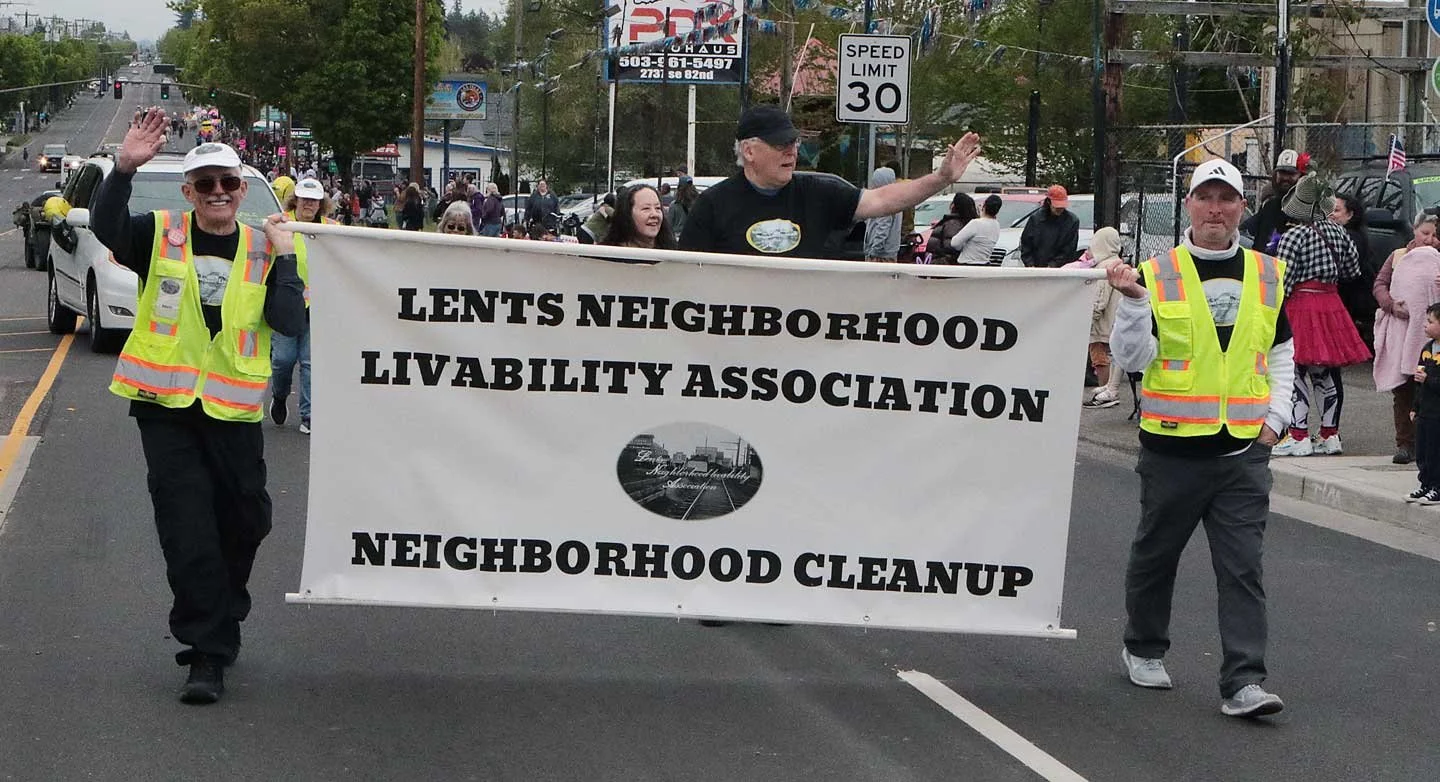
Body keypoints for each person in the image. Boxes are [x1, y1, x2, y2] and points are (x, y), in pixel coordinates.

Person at [89, 112, 306, 705]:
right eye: (204, 184)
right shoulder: (160, 233)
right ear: (189, 192)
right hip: (166, 409)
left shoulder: (271, 246)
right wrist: (124, 166)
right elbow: (107, 226)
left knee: (247, 521)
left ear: (241, 189)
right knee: (189, 533)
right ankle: (205, 653)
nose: (217, 194)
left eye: (227, 184)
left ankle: (223, 613)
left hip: (234, 412)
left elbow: (289, 321)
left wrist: (287, 257)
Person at [1108, 158, 1293, 719]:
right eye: (1206, 198)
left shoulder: (1266, 273)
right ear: (1188, 205)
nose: (1216, 210)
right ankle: (1143, 647)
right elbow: (1131, 360)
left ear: (1242, 206)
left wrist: (1274, 423)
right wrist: (1135, 305)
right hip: (1172, 452)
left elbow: (1280, 354)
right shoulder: (1156, 273)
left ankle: (1244, 682)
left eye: (1227, 199)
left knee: (1243, 568)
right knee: (1156, 555)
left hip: (1242, 452)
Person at [678, 105, 980, 259]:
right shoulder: (712, 205)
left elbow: (883, 199)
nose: (791, 151)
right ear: (749, 150)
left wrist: (941, 178)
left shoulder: (818, 193)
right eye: (780, 144)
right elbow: (685, 277)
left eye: (794, 143)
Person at [1270, 174, 1368, 457]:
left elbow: (1283, 279)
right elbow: (1352, 271)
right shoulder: (1341, 233)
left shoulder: (1294, 236)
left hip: (1301, 305)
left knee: (1295, 370)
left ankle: (1298, 435)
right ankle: (1330, 434)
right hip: (1331, 303)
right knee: (1324, 373)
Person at [270, 177, 335, 436]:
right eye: (304, 198)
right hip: (286, 304)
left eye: (314, 200)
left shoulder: (333, 228)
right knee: (283, 360)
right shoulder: (281, 223)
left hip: (317, 306)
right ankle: (280, 395)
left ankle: (309, 415)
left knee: (310, 362)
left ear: (321, 203)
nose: (309, 204)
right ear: (295, 199)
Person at [1372, 218, 1440, 464]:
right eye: (1425, 233)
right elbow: (1380, 284)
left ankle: (1429, 445)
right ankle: (1405, 444)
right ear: (1414, 230)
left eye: (1435, 235)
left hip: (1433, 337)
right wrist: (1390, 304)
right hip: (1402, 330)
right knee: (1403, 390)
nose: (1430, 240)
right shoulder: (1398, 256)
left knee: (1432, 389)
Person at [1063, 227, 1125, 408]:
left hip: (1103, 323)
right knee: (1113, 356)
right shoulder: (1118, 263)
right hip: (1115, 320)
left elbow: (1099, 299)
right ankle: (1109, 388)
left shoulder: (1104, 268)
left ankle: (1106, 389)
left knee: (1099, 356)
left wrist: (1090, 316)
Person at [1404, 303, 1440, 504]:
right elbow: (1418, 383)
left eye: (1431, 322)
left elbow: (1428, 380)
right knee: (1423, 450)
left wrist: (1429, 380)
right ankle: (1425, 483)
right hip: (1425, 411)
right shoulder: (1426, 350)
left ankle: (1437, 486)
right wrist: (1414, 407)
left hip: (1438, 413)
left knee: (1436, 451)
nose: (1425, 325)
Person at [1248, 149, 1302, 253]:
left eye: (1291, 174)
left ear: (1301, 176)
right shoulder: (1269, 206)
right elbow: (1248, 229)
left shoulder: (1308, 211)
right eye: (1282, 173)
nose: (1285, 178)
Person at [601, 184, 678, 250]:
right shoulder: (605, 255)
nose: (654, 214)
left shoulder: (674, 255)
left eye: (658, 208)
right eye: (646, 208)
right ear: (627, 213)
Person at [1019, 185, 1080, 267]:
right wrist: (1030, 264)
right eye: (1056, 207)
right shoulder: (1036, 219)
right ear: (1048, 202)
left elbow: (1069, 249)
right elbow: (1026, 244)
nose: (1059, 209)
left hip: (1060, 269)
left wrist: (1053, 265)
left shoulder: (1072, 221)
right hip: (1035, 268)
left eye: (1062, 207)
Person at [863, 166, 901, 262]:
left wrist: (874, 251)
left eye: (875, 182)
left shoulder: (885, 203)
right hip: (889, 252)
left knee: (875, 277)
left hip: (880, 255)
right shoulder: (897, 199)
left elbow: (882, 228)